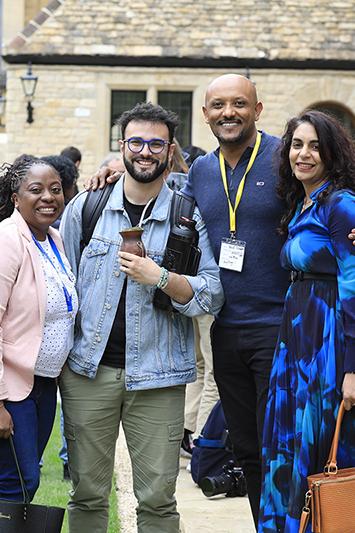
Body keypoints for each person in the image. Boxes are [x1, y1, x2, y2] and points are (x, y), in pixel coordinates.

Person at [87, 75, 290, 528]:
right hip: (226, 326)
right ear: (205, 115)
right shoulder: (201, 171)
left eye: (239, 104)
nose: (228, 113)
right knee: (248, 450)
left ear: (258, 110)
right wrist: (115, 168)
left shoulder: (284, 157)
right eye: (218, 105)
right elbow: (157, 182)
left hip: (283, 326)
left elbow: (329, 194)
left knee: (287, 447)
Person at [59, 102, 224, 533]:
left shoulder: (188, 215)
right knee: (87, 496)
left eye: (156, 143)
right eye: (137, 142)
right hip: (86, 374)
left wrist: (162, 277)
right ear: (122, 146)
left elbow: (212, 290)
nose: (145, 152)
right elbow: (65, 287)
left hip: (159, 376)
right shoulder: (86, 207)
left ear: (170, 151)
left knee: (157, 500)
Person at [258, 110, 355, 532]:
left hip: (329, 340)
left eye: (316, 145)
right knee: (289, 439)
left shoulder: (341, 204)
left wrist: (352, 368)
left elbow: (353, 287)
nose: (305, 153)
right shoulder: (304, 201)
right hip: (297, 337)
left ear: (332, 153)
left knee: (319, 445)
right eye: (297, 144)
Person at [0, 155, 78, 501]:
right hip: (11, 388)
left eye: (55, 189)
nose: (48, 197)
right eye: (36, 190)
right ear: (16, 198)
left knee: (25, 480)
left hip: (44, 385)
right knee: (18, 481)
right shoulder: (8, 240)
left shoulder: (54, 240)